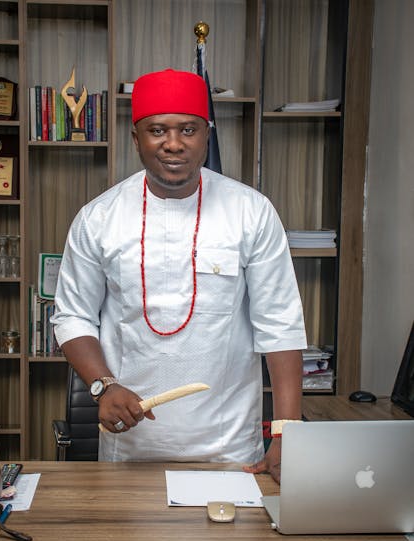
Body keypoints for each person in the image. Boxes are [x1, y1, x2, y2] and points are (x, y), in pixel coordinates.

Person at [51, 68, 307, 483]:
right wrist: (102, 386)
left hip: (229, 450)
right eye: (157, 130)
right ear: (137, 139)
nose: (173, 144)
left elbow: (280, 325)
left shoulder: (251, 212)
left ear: (207, 134)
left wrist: (286, 431)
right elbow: (73, 316)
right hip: (129, 447)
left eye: (188, 129)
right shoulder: (99, 218)